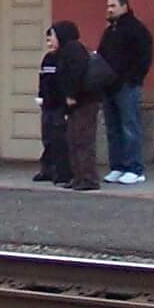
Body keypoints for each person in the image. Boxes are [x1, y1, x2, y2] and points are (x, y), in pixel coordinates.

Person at [96, 0, 154, 185]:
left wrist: (132, 79)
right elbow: (102, 56)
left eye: (113, 6)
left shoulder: (136, 29)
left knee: (129, 126)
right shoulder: (109, 32)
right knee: (113, 128)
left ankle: (135, 168)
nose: (109, 10)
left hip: (127, 86)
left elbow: (144, 57)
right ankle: (118, 166)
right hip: (108, 86)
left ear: (124, 6)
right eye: (108, 6)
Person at [50, 20, 103, 191]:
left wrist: (71, 94)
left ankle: (88, 178)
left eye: (54, 35)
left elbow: (76, 73)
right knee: (73, 139)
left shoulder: (73, 49)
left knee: (82, 140)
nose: (52, 39)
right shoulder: (65, 51)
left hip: (84, 101)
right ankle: (78, 176)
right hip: (76, 102)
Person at [35, 28, 69, 183]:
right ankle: (46, 169)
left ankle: (60, 170)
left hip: (60, 104)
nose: (49, 44)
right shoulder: (48, 58)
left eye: (52, 39)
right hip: (47, 104)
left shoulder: (64, 58)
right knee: (47, 137)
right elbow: (43, 79)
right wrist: (41, 96)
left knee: (59, 138)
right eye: (47, 40)